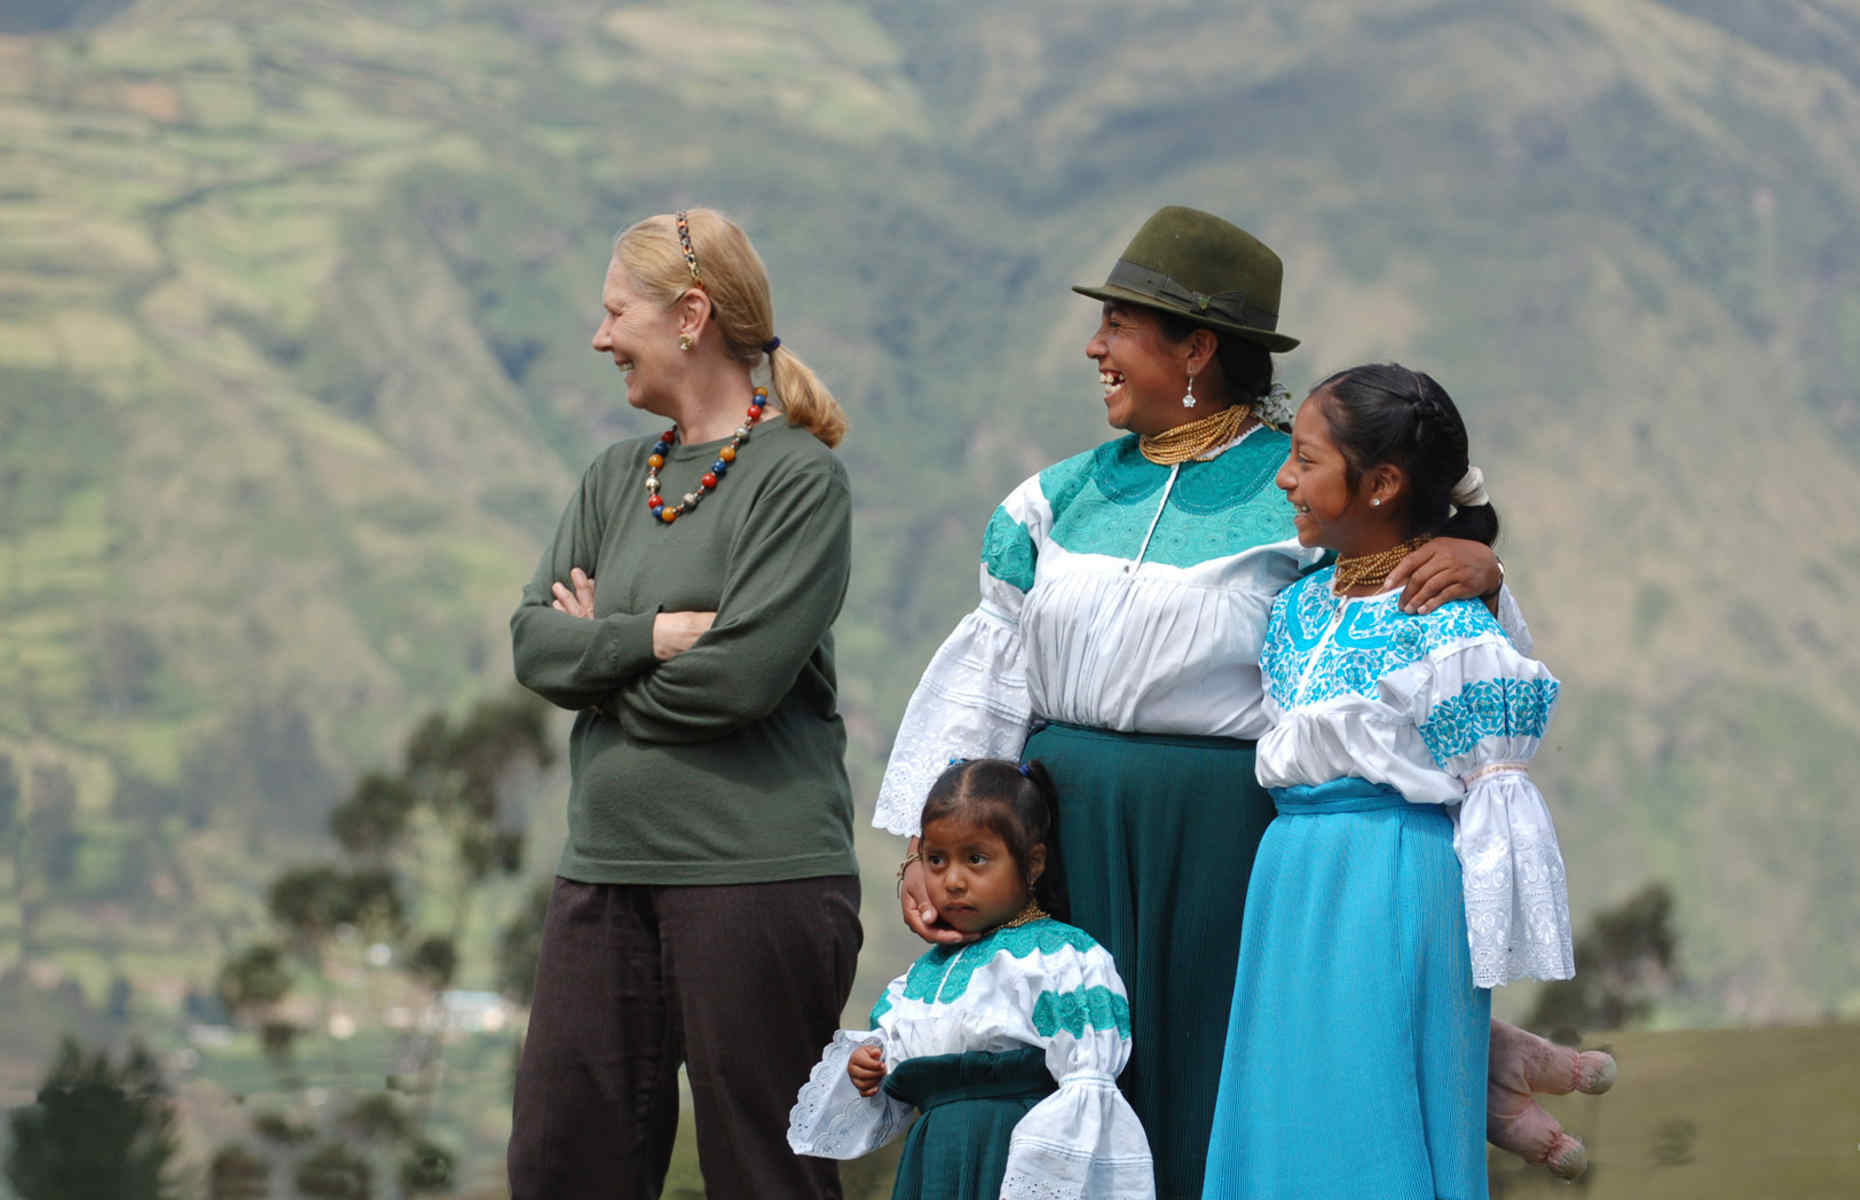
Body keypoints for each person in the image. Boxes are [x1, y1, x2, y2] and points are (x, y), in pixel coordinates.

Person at [875, 206, 1606, 1198]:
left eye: (1120, 326)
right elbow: (988, 687)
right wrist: (931, 849)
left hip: (1227, 852)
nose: (1095, 347)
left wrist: (1482, 560)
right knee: (1063, 1094)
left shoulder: (1306, 495)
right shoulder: (1050, 502)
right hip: (1067, 847)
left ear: (1196, 350)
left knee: (1216, 1098)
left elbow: (1412, 642)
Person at [506, 209, 861, 1199]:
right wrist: (655, 636)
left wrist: (600, 660)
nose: (599, 335)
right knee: (560, 1166)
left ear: (690, 314)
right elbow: (536, 642)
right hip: (602, 876)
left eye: (616, 310)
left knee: (763, 1174)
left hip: (756, 882)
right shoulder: (616, 478)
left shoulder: (799, 480)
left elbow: (743, 679)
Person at [1201, 363, 1590, 1198]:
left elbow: (1494, 783)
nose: (1285, 476)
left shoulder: (1445, 613)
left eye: (1306, 459)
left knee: (1371, 1113)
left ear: (1380, 484)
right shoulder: (1298, 604)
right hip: (1290, 880)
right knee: (1285, 1113)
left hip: (1391, 882)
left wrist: (1476, 957)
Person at [788, 759, 1155, 1199]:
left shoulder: (1060, 959)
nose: (953, 881)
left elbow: (1086, 1092)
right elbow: (893, 1091)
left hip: (1010, 1154)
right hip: (934, 1163)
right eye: (937, 861)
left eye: (976, 859)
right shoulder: (921, 980)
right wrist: (869, 1071)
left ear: (1033, 862)